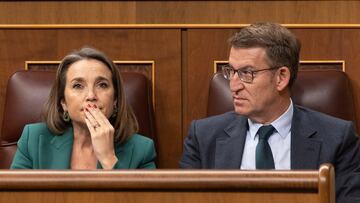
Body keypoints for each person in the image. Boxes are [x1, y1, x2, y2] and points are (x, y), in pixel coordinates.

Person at [179, 22, 360, 202]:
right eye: (231, 71)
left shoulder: (338, 138)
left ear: (281, 77)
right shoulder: (203, 137)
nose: (233, 85)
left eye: (247, 73)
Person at [11, 47, 156, 169]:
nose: (91, 95)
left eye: (102, 85)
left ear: (115, 101)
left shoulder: (142, 150)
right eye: (78, 86)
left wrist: (108, 159)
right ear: (63, 103)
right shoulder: (33, 139)